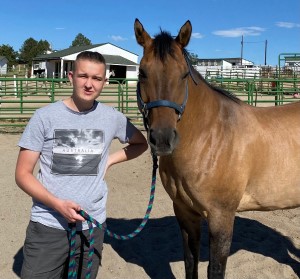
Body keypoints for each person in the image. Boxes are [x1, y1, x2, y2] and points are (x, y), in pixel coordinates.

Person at [15, 51, 148, 279]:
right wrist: (57, 205)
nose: (89, 84)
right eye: (83, 76)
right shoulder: (44, 117)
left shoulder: (112, 117)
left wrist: (111, 159)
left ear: (105, 82)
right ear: (70, 77)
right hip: (49, 225)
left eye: (96, 78)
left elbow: (140, 143)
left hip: (92, 226)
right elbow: (22, 174)